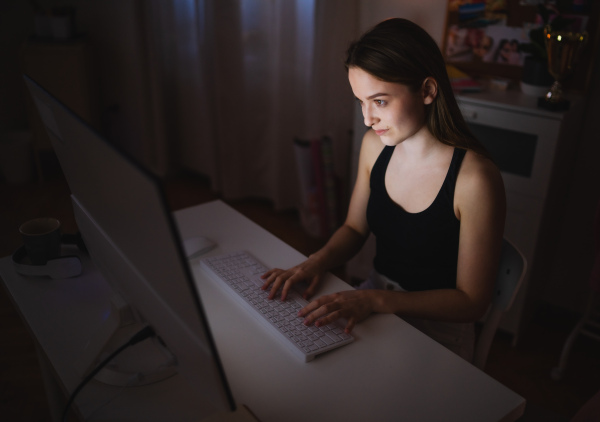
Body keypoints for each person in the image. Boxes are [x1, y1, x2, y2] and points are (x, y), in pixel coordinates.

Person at [261, 18, 506, 361]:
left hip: (437, 329)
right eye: (360, 101)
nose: (367, 119)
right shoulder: (375, 147)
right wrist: (315, 263)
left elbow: (471, 302)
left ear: (427, 91)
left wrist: (376, 300)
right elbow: (354, 228)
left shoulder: (475, 180)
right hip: (374, 298)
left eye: (379, 101)